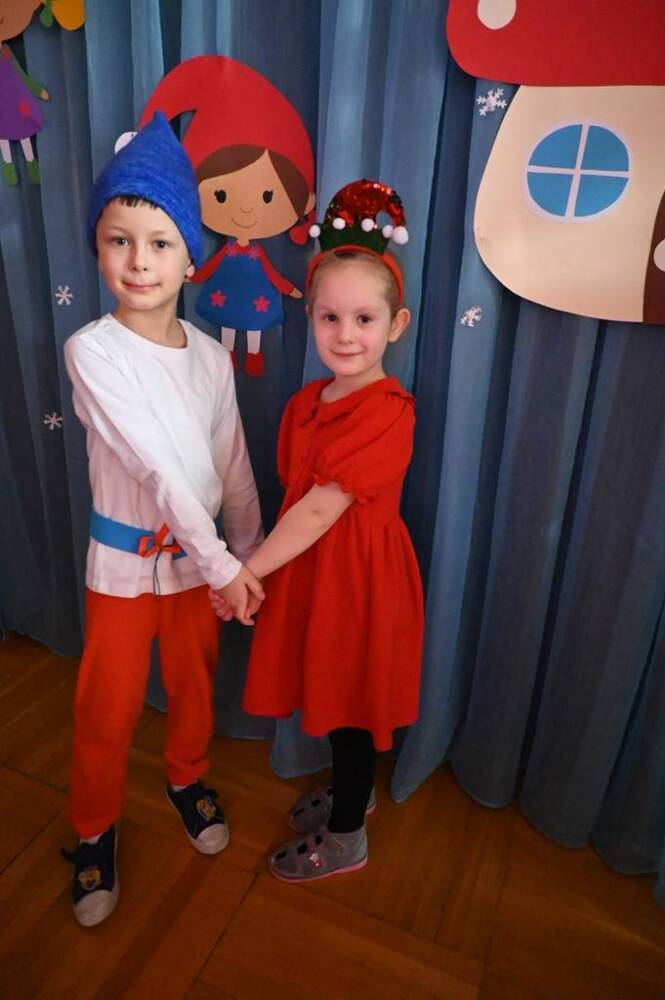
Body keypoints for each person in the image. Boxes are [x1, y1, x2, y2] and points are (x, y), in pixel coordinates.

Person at [61, 112, 264, 927]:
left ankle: (186, 777)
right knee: (106, 709)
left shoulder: (212, 357)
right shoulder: (93, 350)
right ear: (98, 247)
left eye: (158, 243)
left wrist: (246, 556)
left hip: (196, 568)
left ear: (189, 257)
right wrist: (226, 565)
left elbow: (231, 464)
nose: (138, 261)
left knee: (192, 686)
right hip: (123, 569)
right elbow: (156, 464)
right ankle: (92, 830)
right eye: (119, 241)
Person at [210, 179, 424, 882]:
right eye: (330, 317)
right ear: (311, 319)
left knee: (351, 706)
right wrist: (258, 568)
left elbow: (316, 511)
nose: (345, 335)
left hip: (358, 582)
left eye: (364, 319)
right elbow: (294, 502)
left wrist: (246, 571)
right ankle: (353, 794)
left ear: (396, 325)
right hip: (314, 572)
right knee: (333, 694)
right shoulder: (306, 402)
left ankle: (346, 836)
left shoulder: (389, 410)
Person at [139, 54, 316, 376]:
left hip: (253, 297)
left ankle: (254, 355)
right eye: (220, 195)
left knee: (253, 326)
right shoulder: (230, 250)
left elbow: (269, 272)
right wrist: (192, 277)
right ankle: (229, 354)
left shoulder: (253, 252)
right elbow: (210, 267)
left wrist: (286, 287)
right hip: (229, 295)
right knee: (229, 326)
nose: (246, 209)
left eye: (267, 196)